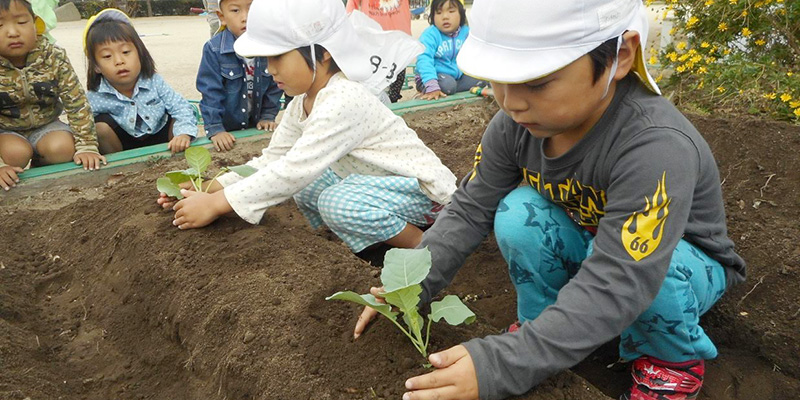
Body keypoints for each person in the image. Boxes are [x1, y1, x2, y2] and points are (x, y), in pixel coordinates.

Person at [353, 1, 747, 400]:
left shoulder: (655, 145)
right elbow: (471, 209)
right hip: (595, 247)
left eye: (537, 82)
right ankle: (543, 327)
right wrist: (410, 288)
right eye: (498, 80)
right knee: (516, 215)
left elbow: (621, 277)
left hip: (672, 264)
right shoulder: (514, 127)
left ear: (621, 55)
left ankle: (670, 360)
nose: (511, 102)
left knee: (656, 274)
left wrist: (504, 363)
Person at [157, 0, 457, 258]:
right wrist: (206, 189)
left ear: (323, 52)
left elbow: (292, 170)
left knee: (333, 200)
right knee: (311, 187)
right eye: (266, 59)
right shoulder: (303, 101)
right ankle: (347, 247)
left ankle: (427, 249)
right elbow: (273, 160)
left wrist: (217, 205)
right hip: (376, 186)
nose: (270, 68)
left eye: (277, 57)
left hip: (424, 195)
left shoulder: (343, 98)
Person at [0, 0, 105, 191]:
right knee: (15, 153)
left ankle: (43, 169)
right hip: (6, 131)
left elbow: (77, 102)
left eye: (22, 22)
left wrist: (87, 146)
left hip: (47, 124)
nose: (13, 32)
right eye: (0, 25)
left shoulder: (52, 56)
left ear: (36, 24)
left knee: (63, 148)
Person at [84, 9, 197, 154]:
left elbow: (181, 107)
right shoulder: (95, 95)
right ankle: (119, 168)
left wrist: (183, 134)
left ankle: (177, 157)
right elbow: (81, 124)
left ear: (140, 53)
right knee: (99, 129)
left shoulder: (154, 81)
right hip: (123, 147)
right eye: (107, 56)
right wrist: (87, 149)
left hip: (164, 139)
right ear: (96, 66)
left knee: (182, 116)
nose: (119, 61)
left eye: (125, 52)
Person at [196, 0, 282, 152]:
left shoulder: (271, 46)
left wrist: (268, 116)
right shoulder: (214, 49)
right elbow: (210, 92)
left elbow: (275, 85)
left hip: (257, 121)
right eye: (235, 10)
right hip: (228, 125)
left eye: (252, 9)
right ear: (222, 16)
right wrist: (215, 128)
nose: (245, 17)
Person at [414, 0, 484, 101]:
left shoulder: (466, 32)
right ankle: (430, 88)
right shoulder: (430, 35)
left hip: (457, 77)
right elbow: (424, 60)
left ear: (461, 13)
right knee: (448, 85)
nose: (445, 17)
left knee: (481, 80)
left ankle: (452, 89)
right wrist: (431, 84)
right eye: (439, 12)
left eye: (451, 11)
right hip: (432, 77)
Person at [345, 0, 411, 103]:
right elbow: (352, 4)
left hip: (399, 36)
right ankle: (375, 100)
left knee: (399, 71)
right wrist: (351, 23)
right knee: (375, 70)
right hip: (374, 36)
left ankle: (392, 100)